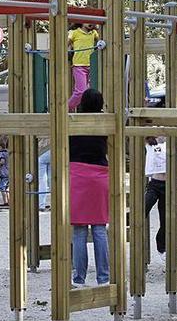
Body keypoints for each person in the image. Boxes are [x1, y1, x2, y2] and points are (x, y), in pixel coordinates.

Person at [69, 88, 110, 286]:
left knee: (79, 230)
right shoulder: (105, 121)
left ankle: (79, 278)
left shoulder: (72, 120)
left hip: (77, 175)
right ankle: (104, 277)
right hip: (100, 174)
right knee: (100, 228)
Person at [143, 135, 170, 260]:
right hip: (154, 183)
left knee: (165, 219)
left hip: (169, 185)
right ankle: (128, 220)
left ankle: (162, 247)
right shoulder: (149, 142)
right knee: (144, 207)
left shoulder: (172, 140)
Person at [67, 22, 100, 111]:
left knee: (90, 91)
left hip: (92, 65)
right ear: (81, 21)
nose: (90, 23)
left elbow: (102, 41)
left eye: (93, 21)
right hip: (79, 66)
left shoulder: (94, 33)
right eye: (87, 20)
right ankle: (66, 108)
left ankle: (89, 110)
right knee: (80, 91)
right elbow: (65, 44)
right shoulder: (74, 32)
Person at [38, 138, 51, 211]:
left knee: (42, 179)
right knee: (51, 178)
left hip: (42, 151)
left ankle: (41, 204)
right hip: (53, 148)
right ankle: (55, 203)